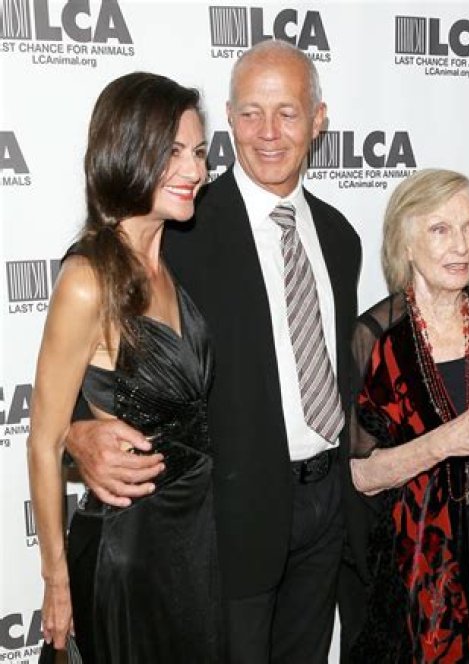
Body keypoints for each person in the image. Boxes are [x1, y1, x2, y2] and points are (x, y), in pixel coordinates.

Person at [64, 40, 362, 663]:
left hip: (328, 508)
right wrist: (78, 430)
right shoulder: (179, 231)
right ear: (229, 118)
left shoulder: (340, 236)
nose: (268, 132)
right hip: (225, 521)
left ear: (319, 119)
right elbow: (103, 348)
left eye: (287, 112)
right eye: (250, 113)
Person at [26, 72, 220, 662]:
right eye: (172, 152)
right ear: (129, 151)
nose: (193, 170)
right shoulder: (89, 279)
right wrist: (55, 583)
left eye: (198, 152)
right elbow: (42, 441)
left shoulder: (169, 265)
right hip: (127, 553)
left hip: (191, 542)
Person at [348, 169, 469, 663]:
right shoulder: (376, 336)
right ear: (405, 243)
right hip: (416, 569)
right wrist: (444, 441)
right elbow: (361, 475)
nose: (461, 245)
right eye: (440, 229)